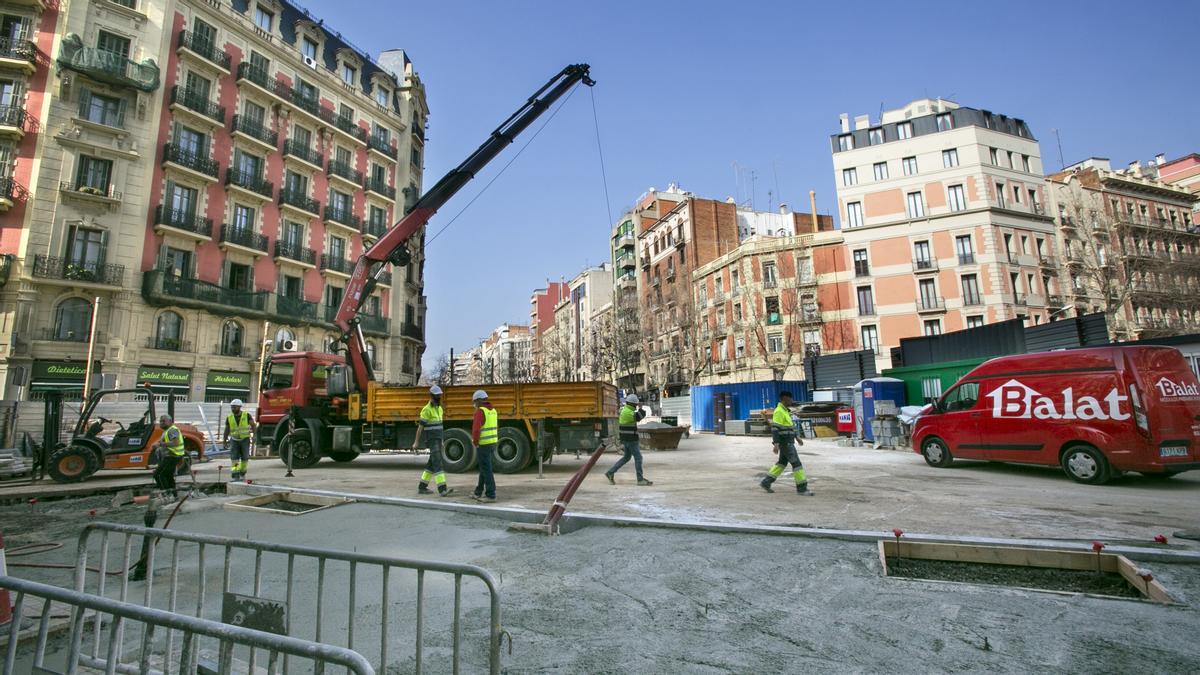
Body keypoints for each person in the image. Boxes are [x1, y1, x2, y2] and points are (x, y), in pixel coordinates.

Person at [759, 391, 812, 496]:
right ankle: (802, 488)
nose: (792, 401)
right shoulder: (779, 411)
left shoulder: (785, 411)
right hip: (785, 442)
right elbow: (775, 429)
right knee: (796, 464)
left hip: (788, 441)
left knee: (782, 463)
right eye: (790, 399)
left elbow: (790, 426)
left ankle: (766, 482)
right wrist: (776, 444)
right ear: (784, 399)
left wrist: (797, 438)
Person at [412, 385, 453, 496]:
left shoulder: (439, 409)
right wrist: (416, 442)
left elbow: (440, 426)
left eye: (439, 395)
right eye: (437, 396)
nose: (439, 397)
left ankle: (422, 487)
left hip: (438, 440)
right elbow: (420, 427)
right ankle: (442, 489)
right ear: (432, 396)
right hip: (432, 440)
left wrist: (442, 440)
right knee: (438, 464)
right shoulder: (426, 410)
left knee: (431, 465)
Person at [605, 394, 652, 486]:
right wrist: (641, 408)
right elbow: (639, 417)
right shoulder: (628, 412)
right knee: (638, 458)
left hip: (626, 439)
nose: (636, 406)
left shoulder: (624, 410)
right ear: (633, 404)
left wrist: (639, 407)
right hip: (631, 440)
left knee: (626, 457)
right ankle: (640, 479)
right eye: (636, 404)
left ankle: (610, 472)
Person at [470, 389, 497, 503]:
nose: (474, 404)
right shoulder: (493, 410)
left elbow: (476, 430)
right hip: (492, 443)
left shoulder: (480, 412)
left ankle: (491, 494)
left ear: (479, 401)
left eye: (475, 402)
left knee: (487, 469)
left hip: (483, 445)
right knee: (484, 468)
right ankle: (478, 491)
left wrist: (475, 442)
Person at [153, 415, 186, 499]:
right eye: (160, 421)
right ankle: (174, 495)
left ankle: (166, 495)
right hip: (171, 455)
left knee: (159, 474)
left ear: (170, 421)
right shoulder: (167, 431)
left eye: (164, 421)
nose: (161, 423)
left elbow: (175, 443)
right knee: (168, 475)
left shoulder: (172, 430)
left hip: (172, 455)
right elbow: (166, 441)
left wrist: (161, 444)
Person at [223, 399, 256, 481]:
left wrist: (254, 436)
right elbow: (227, 429)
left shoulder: (246, 415)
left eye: (234, 407)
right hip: (234, 440)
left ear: (239, 407)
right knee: (234, 458)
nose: (233, 409)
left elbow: (253, 425)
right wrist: (224, 440)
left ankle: (243, 472)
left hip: (245, 439)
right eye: (232, 407)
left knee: (245, 457)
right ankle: (235, 474)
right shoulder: (229, 417)